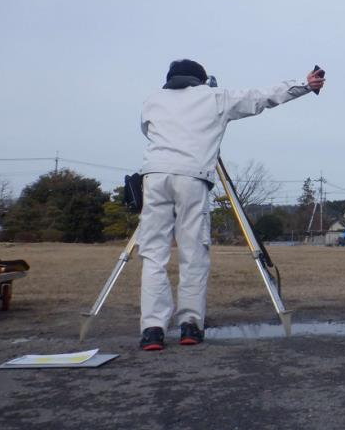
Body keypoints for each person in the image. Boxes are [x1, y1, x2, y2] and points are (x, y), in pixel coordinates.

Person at [137, 59, 325, 351]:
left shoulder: (153, 100)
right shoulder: (214, 97)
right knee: (193, 254)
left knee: (153, 254)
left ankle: (152, 330)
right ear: (201, 80)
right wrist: (303, 85)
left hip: (154, 175)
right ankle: (190, 324)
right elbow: (260, 97)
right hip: (193, 176)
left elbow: (147, 130)